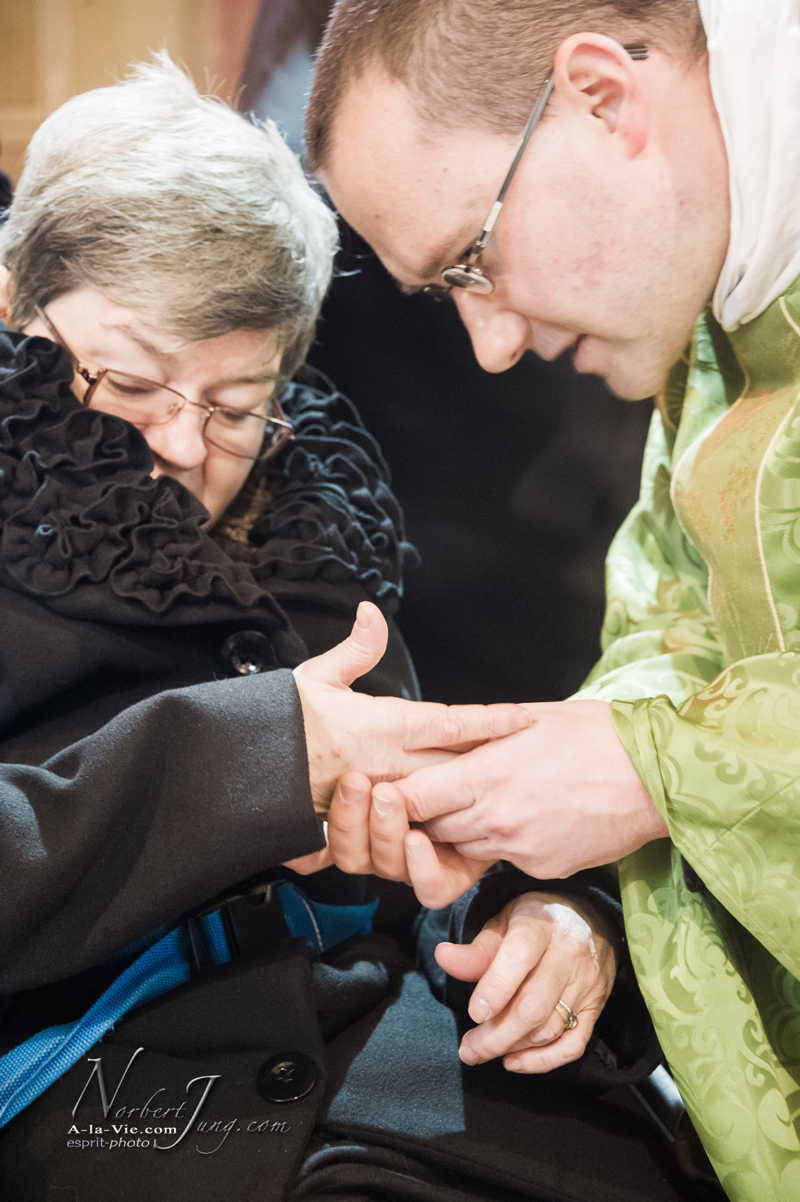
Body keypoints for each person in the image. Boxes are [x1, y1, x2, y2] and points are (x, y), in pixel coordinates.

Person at [307, 2, 800, 1199]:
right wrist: (572, 874)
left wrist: (653, 771)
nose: (487, 344)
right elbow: (673, 621)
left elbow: (673, 738)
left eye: (469, 258)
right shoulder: (725, 293)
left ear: (599, 96)